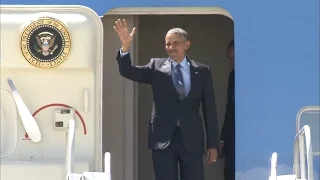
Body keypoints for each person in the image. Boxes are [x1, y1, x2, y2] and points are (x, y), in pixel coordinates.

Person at [113, 19, 219, 180]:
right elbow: (128, 71)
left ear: (187, 45)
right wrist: (125, 46)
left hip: (191, 140)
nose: (171, 47)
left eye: (175, 43)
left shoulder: (202, 71)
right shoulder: (156, 66)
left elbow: (209, 110)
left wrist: (213, 144)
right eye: (168, 44)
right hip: (163, 139)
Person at [219, 39, 235, 180]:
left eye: (235, 58)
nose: (233, 63)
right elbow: (229, 109)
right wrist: (223, 139)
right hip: (232, 134)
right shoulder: (232, 76)